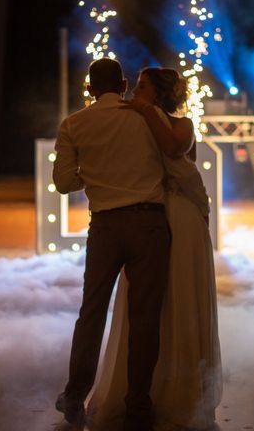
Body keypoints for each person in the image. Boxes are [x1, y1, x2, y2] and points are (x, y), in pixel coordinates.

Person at [87, 68, 222, 430]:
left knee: (179, 300)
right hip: (148, 217)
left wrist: (147, 112)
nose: (135, 90)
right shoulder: (129, 121)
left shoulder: (182, 124)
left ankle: (180, 393)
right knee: (148, 309)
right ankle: (142, 392)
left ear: (159, 93)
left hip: (180, 218)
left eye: (143, 86)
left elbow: (174, 151)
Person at [52, 58, 171, 431]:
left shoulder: (74, 124)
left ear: (88, 89)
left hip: (105, 227)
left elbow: (63, 183)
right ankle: (138, 406)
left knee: (91, 314)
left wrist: (96, 173)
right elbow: (174, 159)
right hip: (150, 224)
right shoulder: (146, 117)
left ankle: (75, 397)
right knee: (145, 318)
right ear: (123, 86)